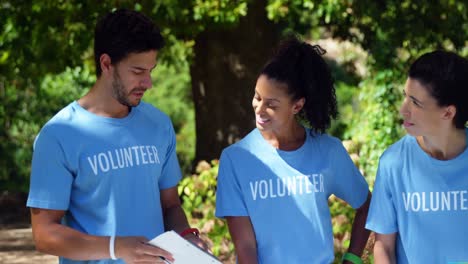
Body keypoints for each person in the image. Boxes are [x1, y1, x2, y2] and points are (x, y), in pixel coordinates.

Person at [27, 9, 206, 264]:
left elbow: (170, 207)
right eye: (137, 71)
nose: (148, 82)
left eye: (151, 70)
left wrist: (187, 237)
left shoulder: (158, 125)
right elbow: (44, 234)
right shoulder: (57, 136)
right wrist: (115, 248)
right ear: (106, 64)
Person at [215, 36, 371, 264]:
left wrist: (352, 259)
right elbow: (245, 247)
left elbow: (366, 205)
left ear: (297, 106)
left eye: (271, 104)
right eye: (257, 97)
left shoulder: (328, 151)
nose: (259, 108)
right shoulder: (236, 159)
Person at [365, 50, 468, 263]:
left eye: (416, 103)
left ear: (448, 113)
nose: (403, 110)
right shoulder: (393, 163)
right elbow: (384, 246)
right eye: (405, 96)